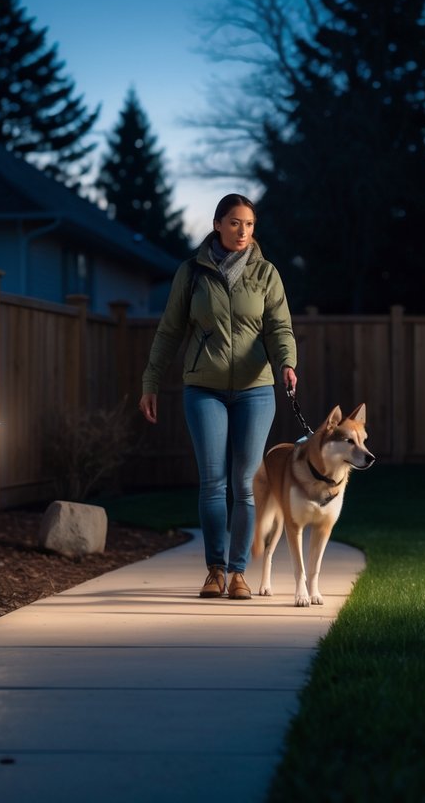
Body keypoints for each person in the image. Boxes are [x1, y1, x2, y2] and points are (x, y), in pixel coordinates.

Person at [139, 193, 298, 600]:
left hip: (256, 390)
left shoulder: (266, 274)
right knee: (213, 483)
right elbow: (170, 331)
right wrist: (151, 382)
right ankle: (215, 570)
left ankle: (239, 573)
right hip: (203, 389)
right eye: (234, 223)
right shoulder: (191, 273)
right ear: (217, 225)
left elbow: (279, 328)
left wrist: (286, 363)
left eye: (248, 224)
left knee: (245, 484)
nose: (242, 231)